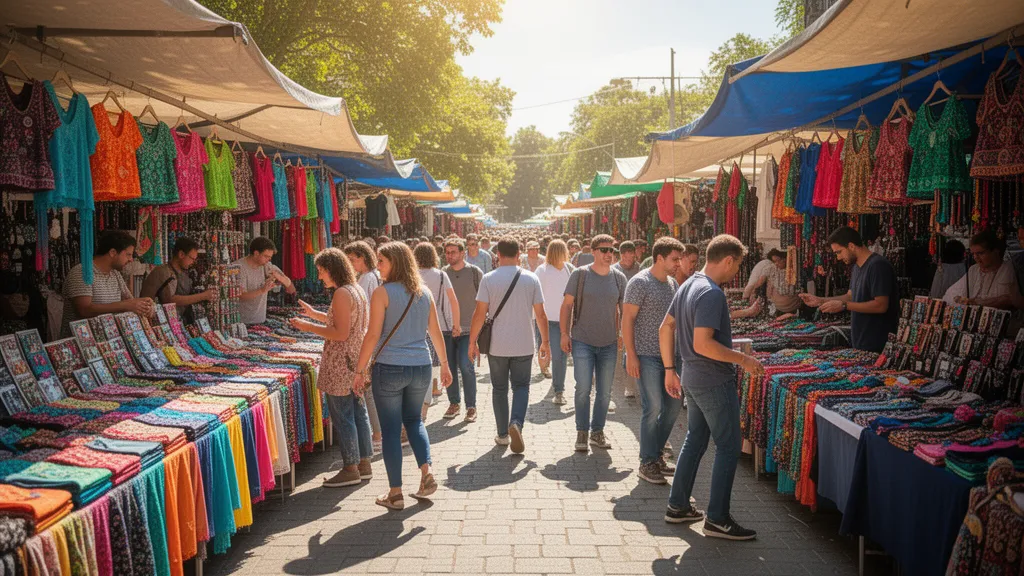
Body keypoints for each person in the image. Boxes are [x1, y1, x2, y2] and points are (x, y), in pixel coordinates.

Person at [661, 234, 762, 540]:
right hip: (712, 379)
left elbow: (666, 327)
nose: (736, 273)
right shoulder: (711, 292)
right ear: (728, 260)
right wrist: (742, 360)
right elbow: (703, 343)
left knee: (696, 440)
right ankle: (717, 518)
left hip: (692, 377)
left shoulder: (689, 284)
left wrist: (670, 369)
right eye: (737, 266)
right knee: (729, 447)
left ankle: (678, 505)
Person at [352, 242, 451, 510]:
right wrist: (444, 364)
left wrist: (359, 371)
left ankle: (395, 493)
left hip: (390, 367)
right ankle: (426, 473)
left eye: (382, 261)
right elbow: (435, 333)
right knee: (415, 422)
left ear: (395, 263)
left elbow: (372, 335)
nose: (379, 266)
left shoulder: (382, 293)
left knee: (391, 431)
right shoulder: (424, 293)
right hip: (421, 366)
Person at [288, 248, 373, 488]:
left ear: (332, 269)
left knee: (343, 415)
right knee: (357, 411)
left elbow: (340, 332)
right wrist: (314, 315)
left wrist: (307, 327)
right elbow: (342, 322)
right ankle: (363, 464)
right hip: (353, 360)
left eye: (322, 271)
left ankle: (350, 467)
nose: (320, 276)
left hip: (341, 362)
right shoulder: (355, 290)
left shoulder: (342, 294)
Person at [469, 237, 550, 455]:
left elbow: (479, 314)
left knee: (499, 389)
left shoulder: (488, 279)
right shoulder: (531, 279)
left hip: (497, 345)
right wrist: (545, 342)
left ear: (497, 255)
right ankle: (517, 423)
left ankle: (503, 434)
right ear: (519, 254)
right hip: (524, 343)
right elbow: (541, 315)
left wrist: (472, 342)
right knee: (521, 387)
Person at [623, 237, 685, 485]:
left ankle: (656, 455)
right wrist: (631, 355)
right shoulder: (639, 282)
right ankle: (647, 461)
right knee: (654, 408)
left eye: (679, 259)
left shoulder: (673, 284)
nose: (678, 264)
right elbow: (627, 320)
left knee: (672, 408)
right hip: (647, 355)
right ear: (660, 258)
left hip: (673, 356)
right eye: (675, 259)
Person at [561, 234, 627, 453]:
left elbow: (624, 311)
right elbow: (567, 306)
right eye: (605, 250)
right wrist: (564, 333)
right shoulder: (580, 275)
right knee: (582, 388)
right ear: (594, 251)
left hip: (608, 342)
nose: (609, 254)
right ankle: (582, 431)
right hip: (582, 340)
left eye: (612, 251)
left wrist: (622, 336)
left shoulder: (618, 278)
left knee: (605, 392)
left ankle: (597, 431)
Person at [799, 226, 899, 353]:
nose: (838, 258)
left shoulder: (877, 266)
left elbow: (881, 305)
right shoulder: (857, 267)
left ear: (851, 246)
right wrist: (820, 300)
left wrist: (844, 306)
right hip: (861, 341)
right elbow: (851, 296)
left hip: (877, 343)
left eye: (839, 252)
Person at [60, 230, 154, 338]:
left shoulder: (115, 274)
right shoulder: (82, 272)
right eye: (128, 255)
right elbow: (85, 310)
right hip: (81, 343)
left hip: (107, 341)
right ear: (113, 252)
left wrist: (145, 303)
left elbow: (129, 300)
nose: (131, 260)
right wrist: (126, 305)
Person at [414, 244, 460, 422]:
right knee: (442, 362)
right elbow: (453, 300)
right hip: (441, 325)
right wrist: (456, 325)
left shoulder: (413, 275)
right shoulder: (441, 274)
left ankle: (426, 400)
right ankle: (434, 393)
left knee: (424, 364)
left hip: (417, 327)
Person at [442, 238, 482, 422]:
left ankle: (471, 406)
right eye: (447, 252)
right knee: (449, 367)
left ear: (462, 253)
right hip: (447, 329)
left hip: (468, 329)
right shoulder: (442, 273)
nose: (449, 255)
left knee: (466, 367)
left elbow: (483, 301)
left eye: (453, 252)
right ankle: (454, 403)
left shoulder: (474, 272)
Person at [534, 240, 574, 404]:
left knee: (560, 356)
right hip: (545, 319)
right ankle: (553, 379)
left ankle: (558, 389)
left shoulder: (569, 270)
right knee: (548, 353)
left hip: (563, 321)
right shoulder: (542, 271)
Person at [942, 230, 1021, 309]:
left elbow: (1010, 299)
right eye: (973, 254)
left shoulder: (1009, 269)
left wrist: (976, 302)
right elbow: (951, 294)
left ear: (995, 251)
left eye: (980, 253)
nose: (976, 258)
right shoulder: (974, 270)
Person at [139, 236, 216, 314]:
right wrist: (203, 296)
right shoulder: (163, 272)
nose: (193, 262)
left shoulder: (181, 272)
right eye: (192, 258)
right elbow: (170, 300)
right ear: (181, 254)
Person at [234, 237, 296, 325]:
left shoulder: (266, 266)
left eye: (270, 257)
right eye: (266, 256)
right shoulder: (238, 268)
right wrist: (262, 290)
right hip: (241, 323)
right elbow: (240, 295)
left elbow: (292, 289)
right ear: (256, 253)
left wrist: (282, 279)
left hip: (260, 321)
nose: (268, 260)